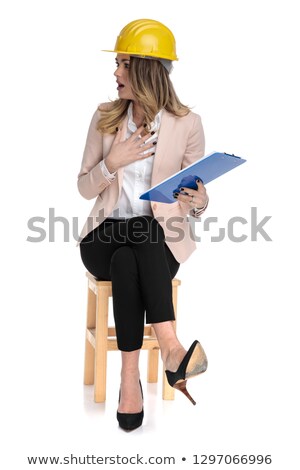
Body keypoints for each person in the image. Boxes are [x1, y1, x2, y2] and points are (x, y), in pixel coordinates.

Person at [77, 19, 209, 431]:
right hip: (103, 235)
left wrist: (200, 202)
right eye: (117, 64)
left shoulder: (188, 123)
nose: (116, 73)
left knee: (132, 255)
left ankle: (129, 380)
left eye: (124, 64)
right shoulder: (104, 118)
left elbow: (192, 195)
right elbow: (84, 188)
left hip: (155, 246)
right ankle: (172, 348)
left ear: (147, 70)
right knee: (136, 234)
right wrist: (111, 163)